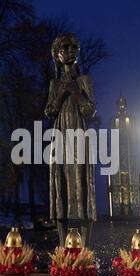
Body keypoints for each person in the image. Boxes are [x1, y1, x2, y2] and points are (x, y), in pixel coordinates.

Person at [44, 34, 97, 247]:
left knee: (83, 185)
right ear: (57, 54)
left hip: (80, 135)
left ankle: (84, 249)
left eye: (74, 47)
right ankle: (63, 247)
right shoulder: (54, 84)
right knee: (61, 185)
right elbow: (49, 111)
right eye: (65, 47)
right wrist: (60, 93)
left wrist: (76, 93)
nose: (70, 50)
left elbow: (90, 110)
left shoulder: (84, 81)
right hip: (60, 136)